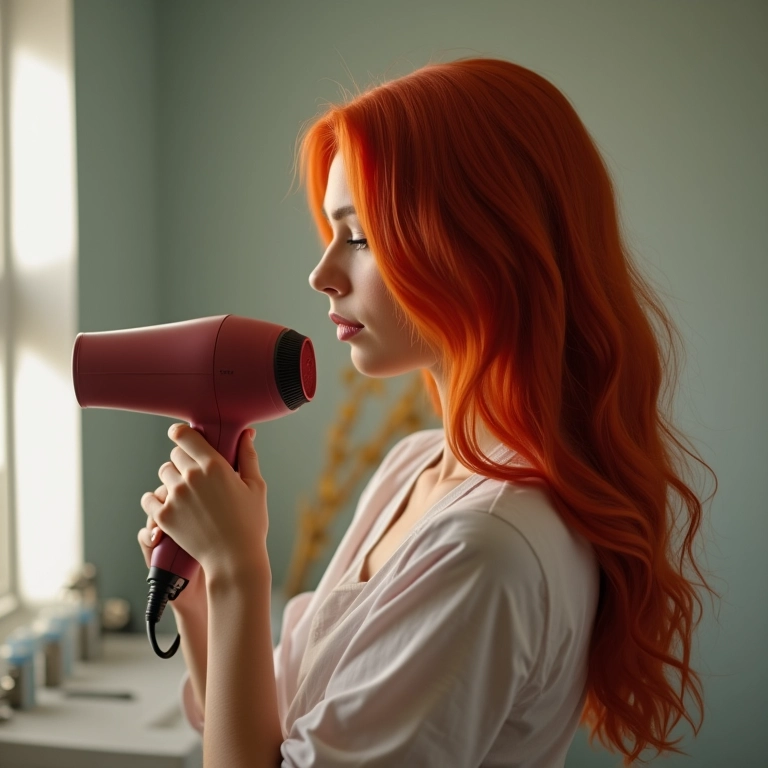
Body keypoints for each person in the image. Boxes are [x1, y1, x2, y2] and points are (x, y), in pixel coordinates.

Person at [137, 56, 718, 768]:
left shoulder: (488, 549)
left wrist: (239, 567)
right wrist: (200, 594)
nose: (322, 275)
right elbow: (272, 723)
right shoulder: (415, 464)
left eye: (359, 236)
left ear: (480, 245)